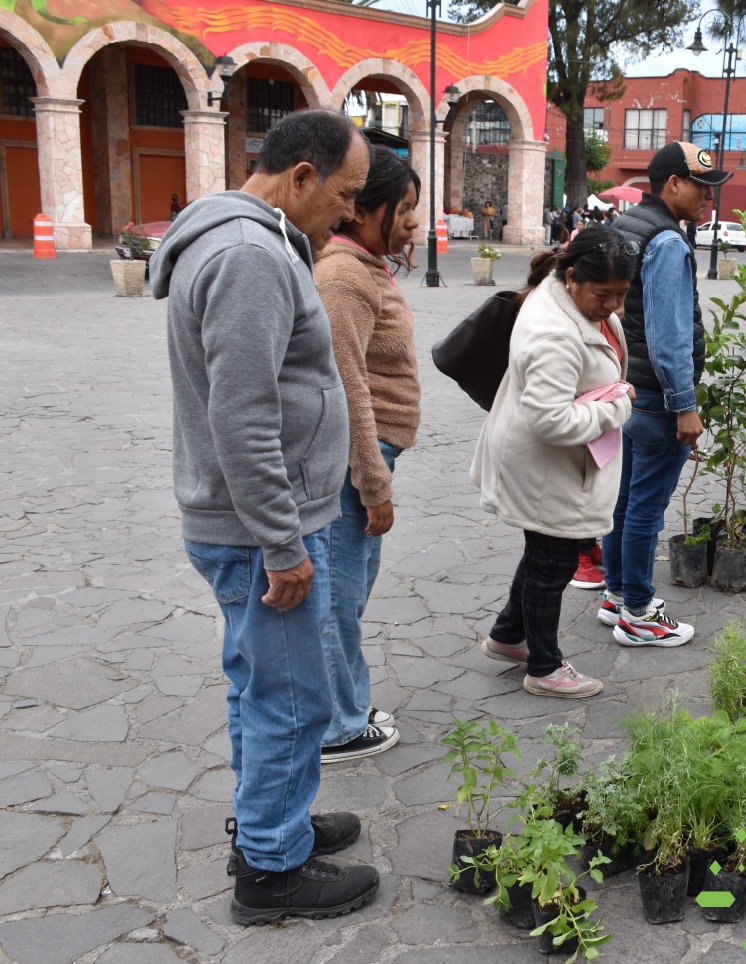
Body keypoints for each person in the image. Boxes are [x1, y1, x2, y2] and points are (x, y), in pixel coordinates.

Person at [151, 108, 379, 924]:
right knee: (290, 697)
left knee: (266, 687)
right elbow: (242, 415)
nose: (351, 211)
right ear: (302, 175)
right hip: (260, 531)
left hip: (254, 521)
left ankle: (268, 825)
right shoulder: (250, 254)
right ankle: (271, 872)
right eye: (345, 193)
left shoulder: (254, 239)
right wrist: (283, 544)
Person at [472, 227, 636, 698]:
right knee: (553, 562)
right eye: (603, 294)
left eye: (621, 294)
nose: (612, 305)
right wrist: (618, 405)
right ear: (572, 278)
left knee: (544, 554)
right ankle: (544, 667)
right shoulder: (554, 331)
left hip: (553, 463)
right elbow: (551, 420)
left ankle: (508, 637)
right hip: (545, 465)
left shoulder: (566, 301)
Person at [311, 146, 420, 764]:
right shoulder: (344, 275)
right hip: (358, 460)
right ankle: (338, 725)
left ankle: (346, 702)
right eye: (402, 209)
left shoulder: (363, 267)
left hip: (373, 454)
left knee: (350, 590)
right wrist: (373, 482)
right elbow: (345, 383)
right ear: (363, 207)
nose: (411, 222)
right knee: (339, 597)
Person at [598, 141, 725, 645]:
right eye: (702, 188)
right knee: (646, 508)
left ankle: (616, 594)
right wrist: (685, 405)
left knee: (623, 501)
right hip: (657, 396)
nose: (709, 200)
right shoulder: (668, 242)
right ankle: (637, 612)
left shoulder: (626, 226)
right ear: (674, 184)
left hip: (629, 389)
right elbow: (668, 334)